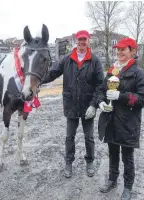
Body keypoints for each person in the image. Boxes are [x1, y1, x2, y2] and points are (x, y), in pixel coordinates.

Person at [42, 30, 104, 178]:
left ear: (88, 41)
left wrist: (94, 105)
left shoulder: (94, 61)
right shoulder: (67, 59)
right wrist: (38, 80)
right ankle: (68, 162)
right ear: (76, 41)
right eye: (80, 40)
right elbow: (52, 73)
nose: (82, 42)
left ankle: (90, 162)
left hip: (87, 105)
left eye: (85, 40)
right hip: (71, 105)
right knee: (69, 136)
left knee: (89, 137)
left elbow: (100, 85)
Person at [97, 38, 144, 200]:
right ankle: (112, 179)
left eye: (123, 50)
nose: (119, 52)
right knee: (112, 153)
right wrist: (100, 102)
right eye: (118, 50)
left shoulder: (138, 74)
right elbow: (101, 89)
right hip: (111, 120)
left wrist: (121, 96)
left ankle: (128, 187)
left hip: (128, 123)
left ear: (132, 51)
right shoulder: (113, 70)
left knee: (127, 157)